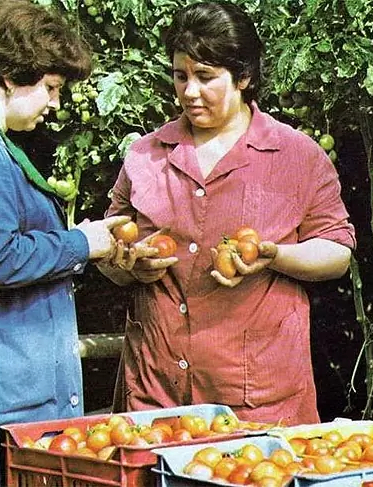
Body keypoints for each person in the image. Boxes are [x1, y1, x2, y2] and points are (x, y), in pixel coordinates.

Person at [98, 1, 356, 426]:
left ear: (244, 77)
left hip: (258, 399)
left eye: (205, 77)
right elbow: (112, 247)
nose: (189, 92)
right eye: (180, 76)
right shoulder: (146, 154)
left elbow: (337, 252)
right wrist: (127, 266)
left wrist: (275, 256)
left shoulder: (296, 156)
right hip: (157, 391)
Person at [0, 1, 130, 485]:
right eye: (51, 87)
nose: (55, 103)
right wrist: (82, 244)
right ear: (10, 76)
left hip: (0, 383)